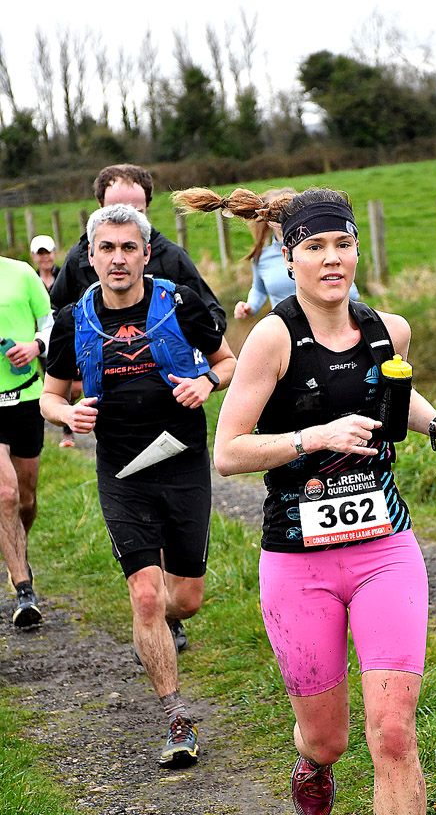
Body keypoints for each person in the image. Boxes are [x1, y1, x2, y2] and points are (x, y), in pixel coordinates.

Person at [173, 186, 436, 815]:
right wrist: (313, 436)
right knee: (328, 739)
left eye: (342, 243)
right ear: (289, 258)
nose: (331, 258)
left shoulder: (388, 330)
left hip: (384, 550)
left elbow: (396, 397)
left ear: (355, 250)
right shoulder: (273, 339)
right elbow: (228, 452)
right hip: (298, 560)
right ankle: (312, 764)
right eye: (314, 246)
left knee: (393, 733)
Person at [40, 204, 236, 768]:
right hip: (121, 470)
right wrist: (66, 413)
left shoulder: (180, 303)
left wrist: (206, 382)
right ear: (90, 256)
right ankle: (177, 719)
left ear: (146, 254)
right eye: (107, 248)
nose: (118, 258)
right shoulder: (74, 320)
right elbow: (51, 395)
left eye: (129, 247)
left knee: (186, 600)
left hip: (182, 461)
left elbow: (229, 362)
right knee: (146, 595)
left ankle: (161, 629)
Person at [50, 163, 226, 333]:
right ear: (100, 205)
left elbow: (213, 317)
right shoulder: (78, 258)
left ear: (147, 206)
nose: (126, 221)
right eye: (115, 212)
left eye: (136, 213)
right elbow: (56, 313)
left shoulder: (172, 257)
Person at [0, 255, 53, 627]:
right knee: (6, 494)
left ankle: (15, 548)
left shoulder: (21, 273)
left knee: (26, 499)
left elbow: (51, 324)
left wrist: (35, 346)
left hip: (26, 397)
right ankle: (24, 589)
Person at [233, 187, 359, 322]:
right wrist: (250, 306)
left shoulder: (329, 256)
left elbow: (351, 292)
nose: (283, 220)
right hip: (285, 326)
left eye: (289, 213)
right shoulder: (261, 258)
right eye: (276, 215)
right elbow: (259, 289)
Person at [30, 234, 75, 448]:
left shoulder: (65, 275)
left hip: (65, 335)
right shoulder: (31, 280)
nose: (45, 257)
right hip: (41, 338)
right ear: (34, 257)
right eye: (40, 254)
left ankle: (68, 427)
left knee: (70, 384)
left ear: (54, 253)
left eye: (47, 252)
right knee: (50, 380)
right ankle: (63, 429)